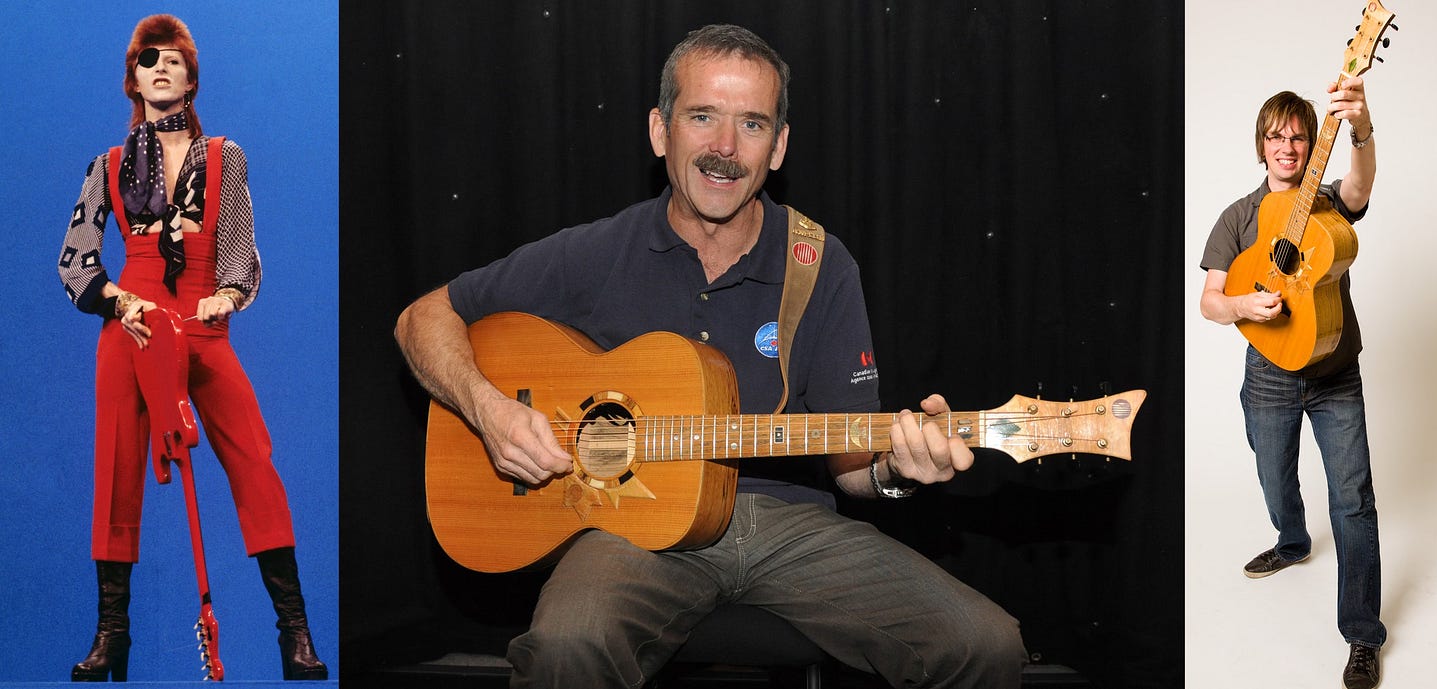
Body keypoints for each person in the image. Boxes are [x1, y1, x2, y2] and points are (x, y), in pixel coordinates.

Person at [396, 23, 1025, 689]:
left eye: (752, 125)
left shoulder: (820, 263)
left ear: (778, 147)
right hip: (631, 534)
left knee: (984, 643)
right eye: (703, 117)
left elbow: (851, 471)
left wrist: (897, 470)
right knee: (564, 646)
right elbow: (422, 318)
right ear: (660, 131)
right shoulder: (593, 252)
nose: (725, 148)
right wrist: (491, 411)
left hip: (792, 526)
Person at [58, 15, 327, 681]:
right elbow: (74, 262)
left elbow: (241, 253)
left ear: (190, 77)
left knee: (255, 460)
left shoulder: (225, 156)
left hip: (204, 327)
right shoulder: (109, 166)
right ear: (133, 77)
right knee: (116, 471)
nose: (160, 67)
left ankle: (295, 631)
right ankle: (110, 635)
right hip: (135, 328)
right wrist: (121, 301)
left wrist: (228, 297)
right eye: (148, 58)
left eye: (173, 59)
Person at [1198, 82, 1382, 689]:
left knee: (1352, 500)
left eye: (1298, 135)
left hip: (1334, 373)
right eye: (1276, 136)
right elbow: (1210, 300)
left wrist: (1359, 128)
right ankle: (1293, 539)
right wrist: (1244, 304)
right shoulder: (1238, 217)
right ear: (1262, 145)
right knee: (1274, 475)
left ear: (1311, 145)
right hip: (1269, 375)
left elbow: (1359, 188)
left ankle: (1361, 634)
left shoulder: (1326, 200)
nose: (1287, 145)